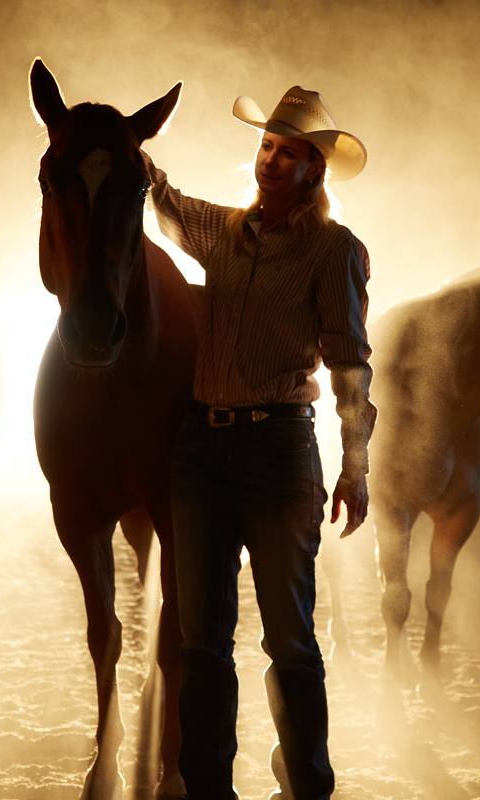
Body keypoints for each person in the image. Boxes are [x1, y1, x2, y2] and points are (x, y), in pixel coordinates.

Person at [148, 85, 374, 800]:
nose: (271, 161)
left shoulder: (336, 251)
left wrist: (355, 464)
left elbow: (349, 363)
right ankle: (209, 789)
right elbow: (165, 199)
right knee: (202, 645)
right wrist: (118, 142)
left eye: (289, 153)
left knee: (291, 643)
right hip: (201, 452)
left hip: (280, 453)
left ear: (316, 171)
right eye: (266, 147)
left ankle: (308, 788)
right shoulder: (224, 233)